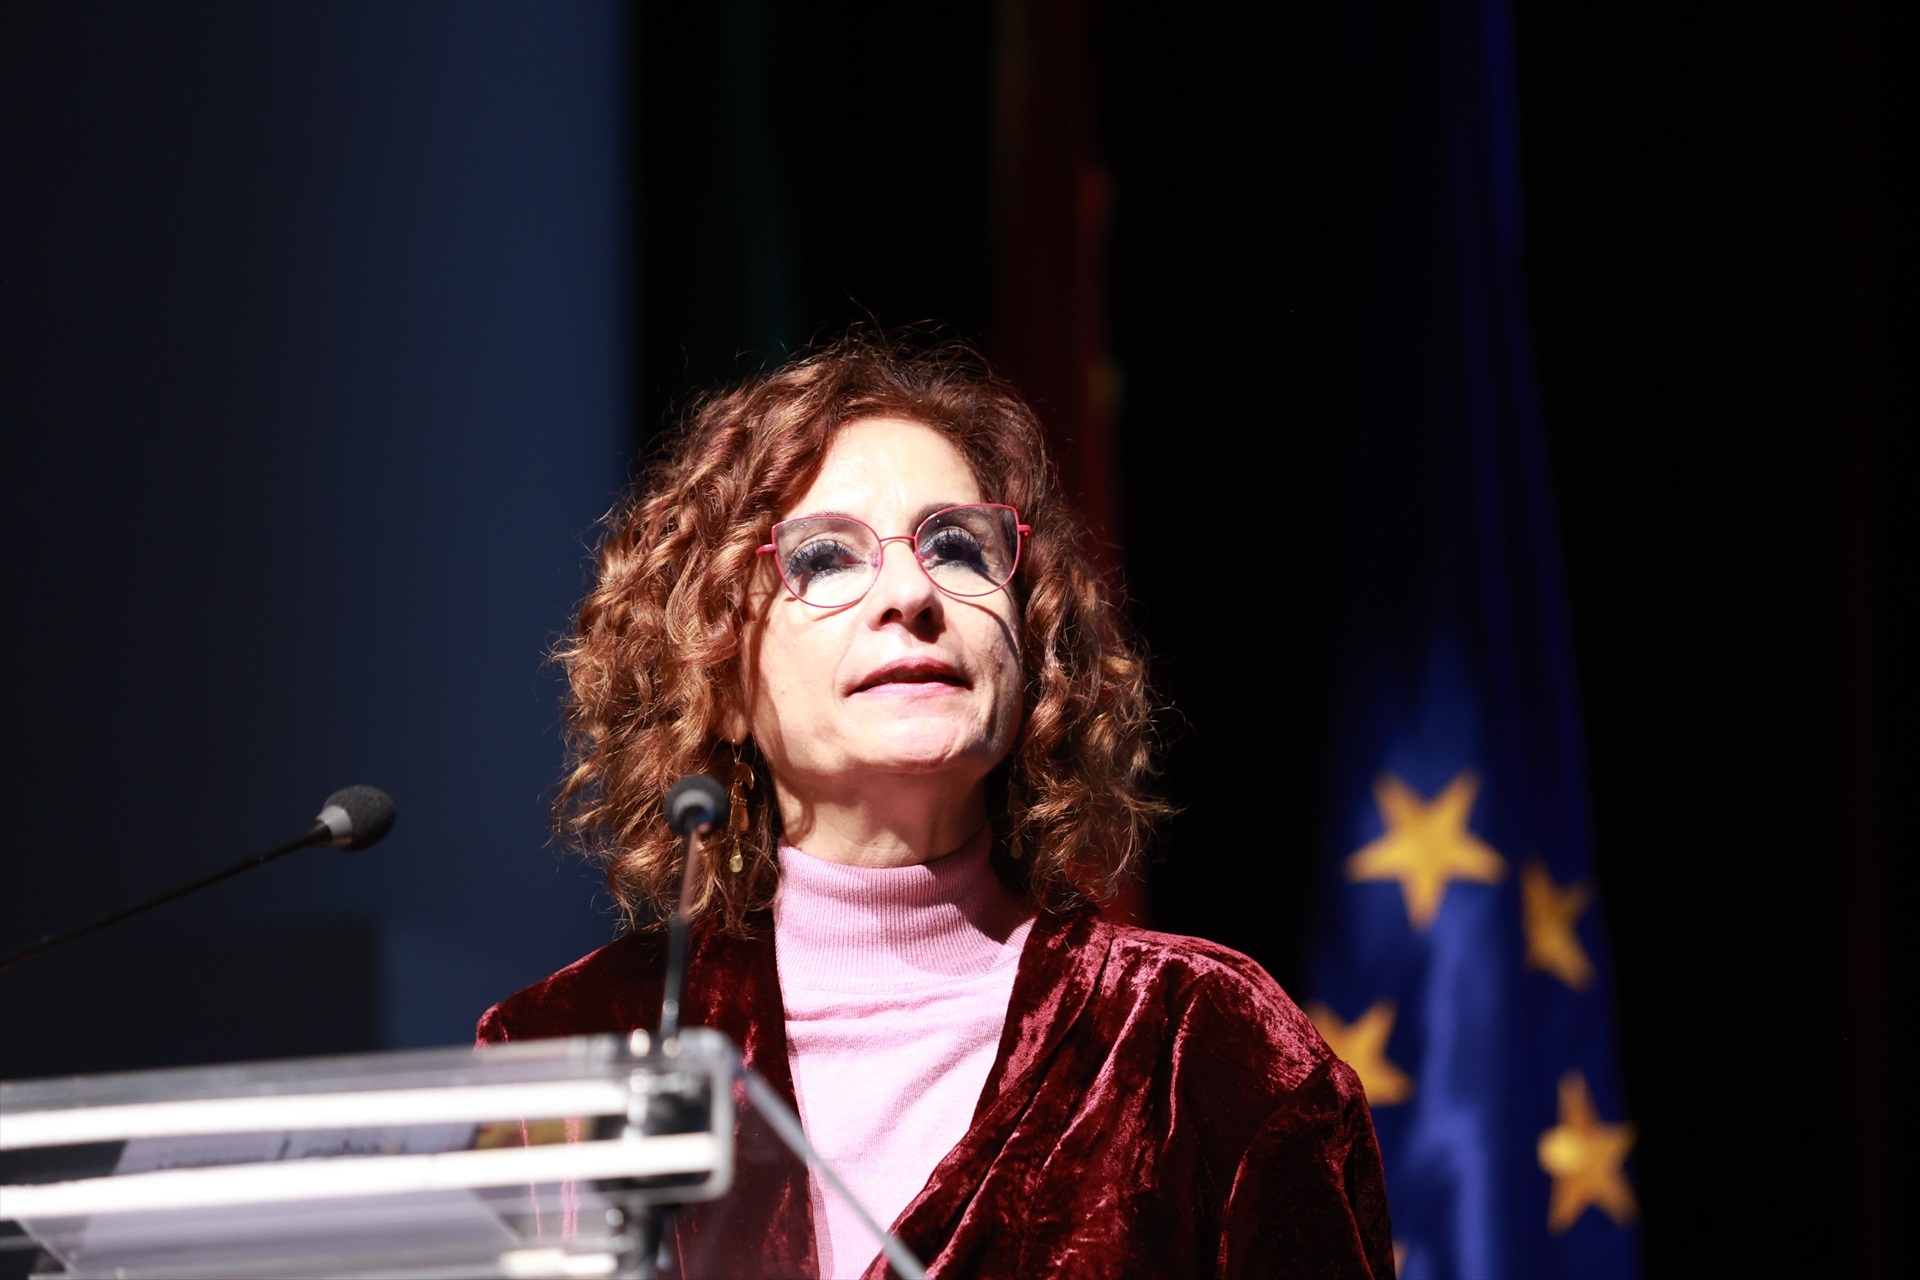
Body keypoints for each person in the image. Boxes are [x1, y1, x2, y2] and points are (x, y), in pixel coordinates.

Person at [477, 334, 1395, 1279]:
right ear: (716, 676)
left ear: (1032, 652)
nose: (912, 593)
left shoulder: (1204, 1045)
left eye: (957, 547)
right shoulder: (567, 1051)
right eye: (825, 558)